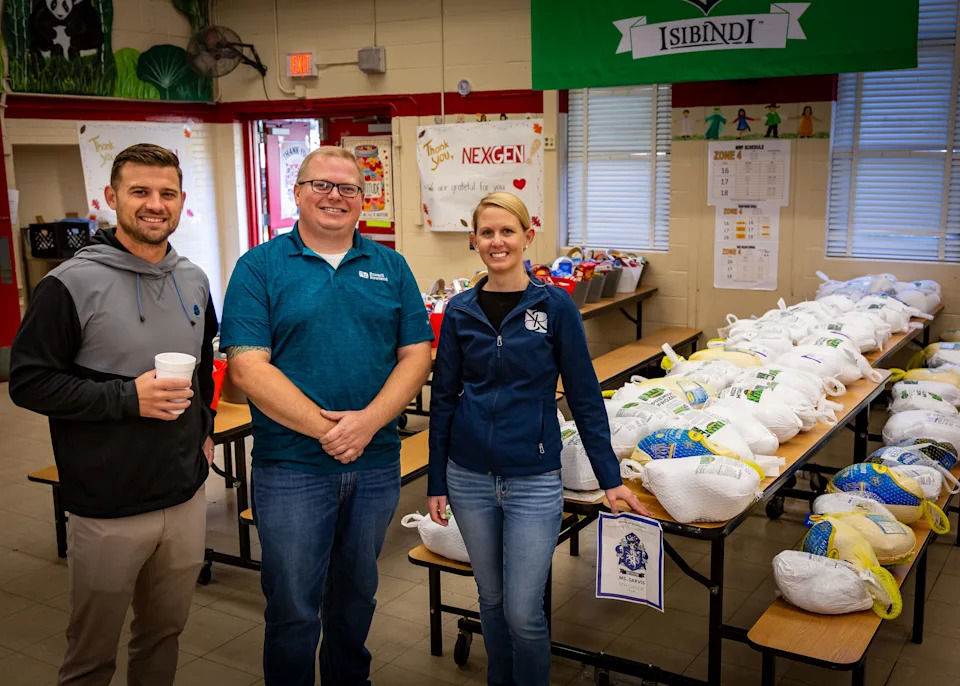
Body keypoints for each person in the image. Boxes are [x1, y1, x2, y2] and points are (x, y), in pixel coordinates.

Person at [220, 146, 433, 686]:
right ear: (296, 192)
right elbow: (247, 368)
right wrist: (331, 430)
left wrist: (365, 426)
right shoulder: (259, 267)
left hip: (375, 463)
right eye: (321, 185)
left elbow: (417, 356)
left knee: (356, 597)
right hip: (290, 469)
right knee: (292, 607)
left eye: (348, 189)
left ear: (364, 200)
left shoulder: (391, 265)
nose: (334, 197)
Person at [9, 143, 218, 686]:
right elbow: (29, 382)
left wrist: (206, 430)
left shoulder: (193, 278)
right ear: (111, 198)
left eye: (166, 193)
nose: (155, 204)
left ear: (180, 201)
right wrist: (127, 398)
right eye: (140, 192)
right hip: (107, 504)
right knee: (91, 656)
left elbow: (203, 368)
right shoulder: (68, 284)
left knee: (163, 636)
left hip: (184, 493)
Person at [426, 192, 649, 686]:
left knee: (524, 611)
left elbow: (586, 398)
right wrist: (436, 480)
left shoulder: (554, 306)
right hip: (469, 479)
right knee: (491, 600)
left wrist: (610, 479)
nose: (497, 241)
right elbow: (443, 399)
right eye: (487, 232)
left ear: (528, 237)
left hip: (533, 480)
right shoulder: (460, 311)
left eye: (508, 231)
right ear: (474, 241)